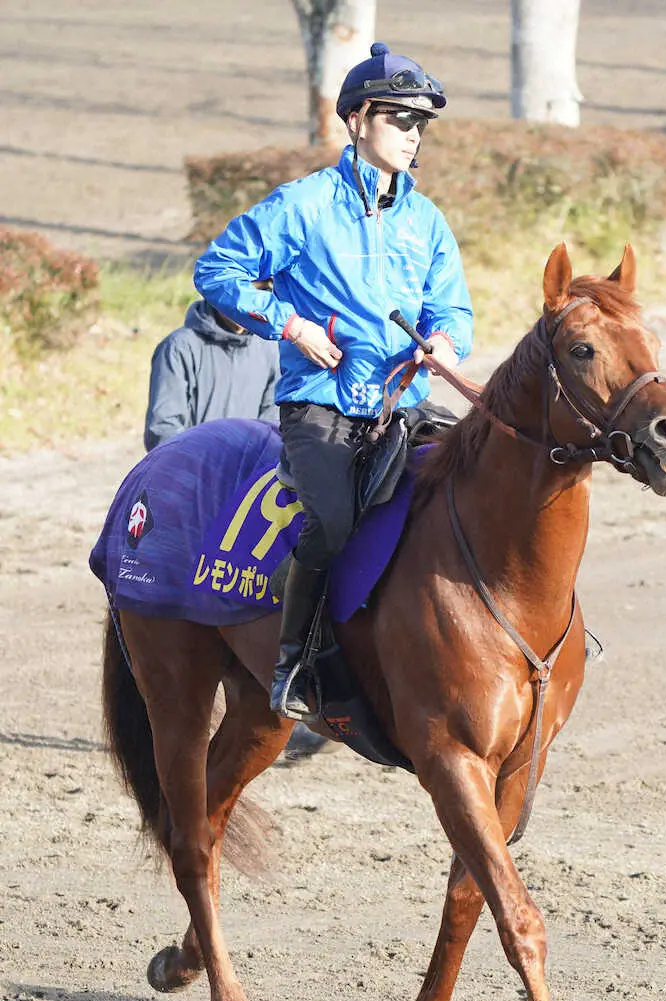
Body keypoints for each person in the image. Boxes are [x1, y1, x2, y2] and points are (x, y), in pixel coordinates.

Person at [193, 41, 473, 719]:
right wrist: (291, 325)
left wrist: (443, 340)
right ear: (356, 120)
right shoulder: (302, 206)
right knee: (337, 523)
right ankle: (294, 664)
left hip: (403, 406)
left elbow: (452, 307)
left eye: (419, 125)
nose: (411, 135)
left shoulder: (425, 220)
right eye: (398, 120)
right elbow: (218, 270)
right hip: (319, 410)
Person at [144, 294, 280, 451]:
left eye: (259, 290)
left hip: (245, 471)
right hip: (190, 468)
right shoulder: (179, 347)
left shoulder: (271, 350)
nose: (247, 299)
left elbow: (269, 428)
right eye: (238, 288)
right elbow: (163, 429)